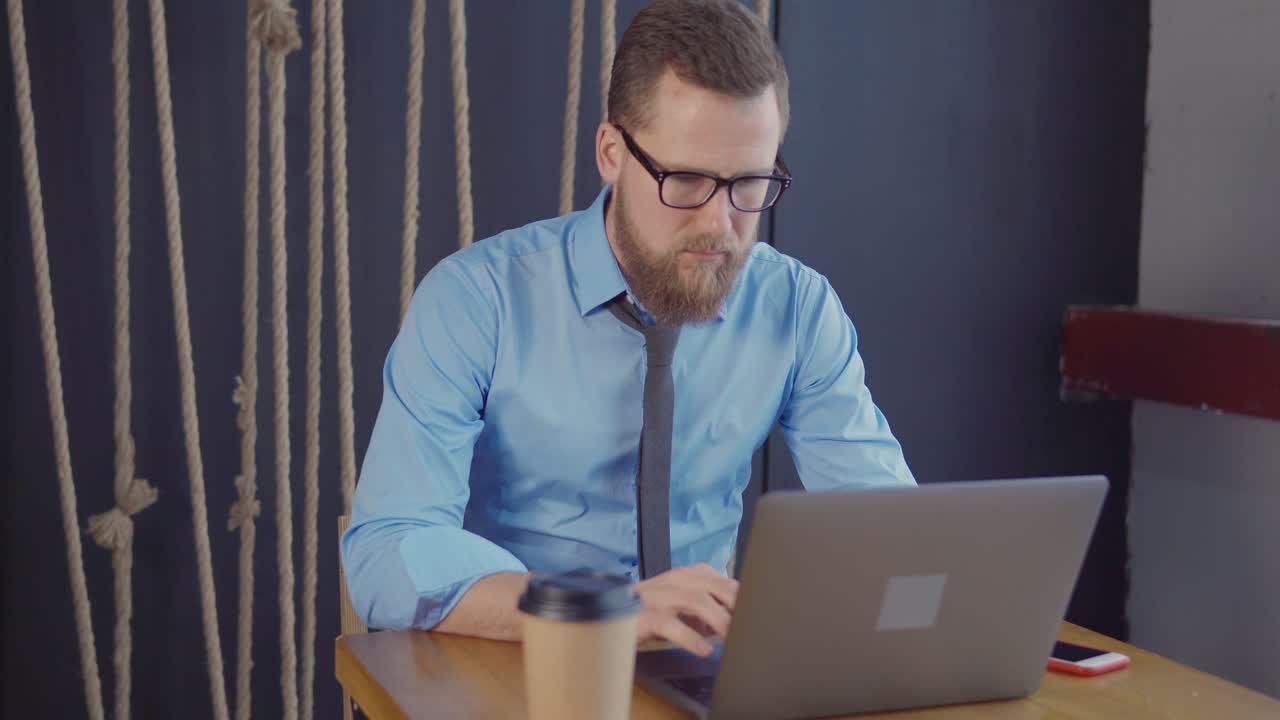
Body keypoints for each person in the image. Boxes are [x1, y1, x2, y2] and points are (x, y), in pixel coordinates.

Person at [342, 0, 914, 658]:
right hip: (514, 666)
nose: (721, 225)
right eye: (689, 180)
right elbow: (387, 553)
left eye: (751, 183)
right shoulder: (474, 300)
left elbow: (888, 537)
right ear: (612, 152)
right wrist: (602, 612)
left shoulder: (798, 307)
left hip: (705, 674)